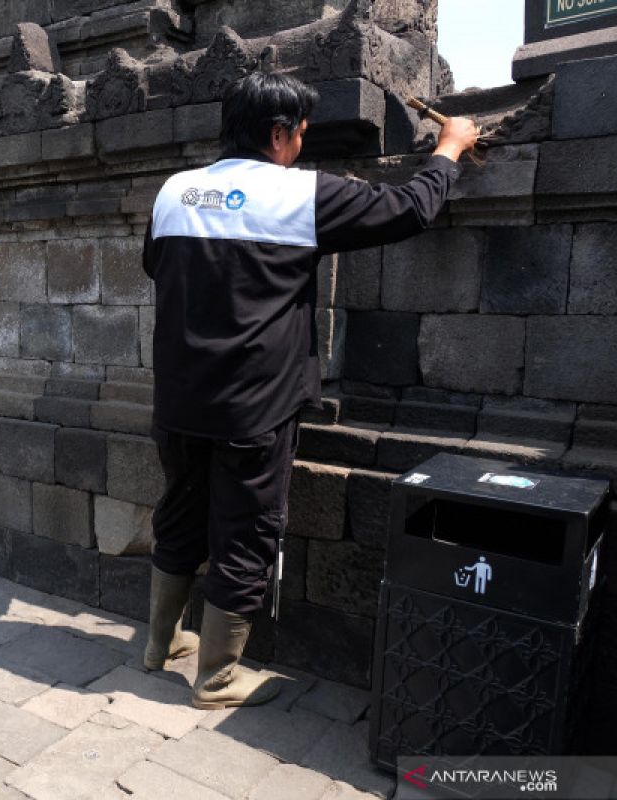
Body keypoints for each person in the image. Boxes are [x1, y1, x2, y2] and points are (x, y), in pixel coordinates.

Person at [141, 72, 480, 709]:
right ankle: (215, 679)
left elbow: (157, 266)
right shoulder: (300, 196)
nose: (301, 144)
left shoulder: (174, 191)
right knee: (244, 531)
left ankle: (160, 644)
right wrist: (450, 148)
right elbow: (408, 209)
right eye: (299, 133)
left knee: (181, 514)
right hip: (254, 403)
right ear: (278, 134)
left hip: (180, 398)